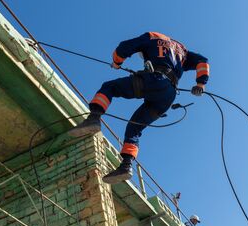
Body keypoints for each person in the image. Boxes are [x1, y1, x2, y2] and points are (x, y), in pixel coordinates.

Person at [69, 32, 210, 184]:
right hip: (168, 96)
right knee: (135, 128)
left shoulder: (152, 37)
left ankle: (94, 119)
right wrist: (200, 84)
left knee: (109, 87)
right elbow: (203, 61)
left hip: (155, 80)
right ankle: (126, 166)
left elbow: (124, 47)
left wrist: (117, 62)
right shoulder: (182, 51)